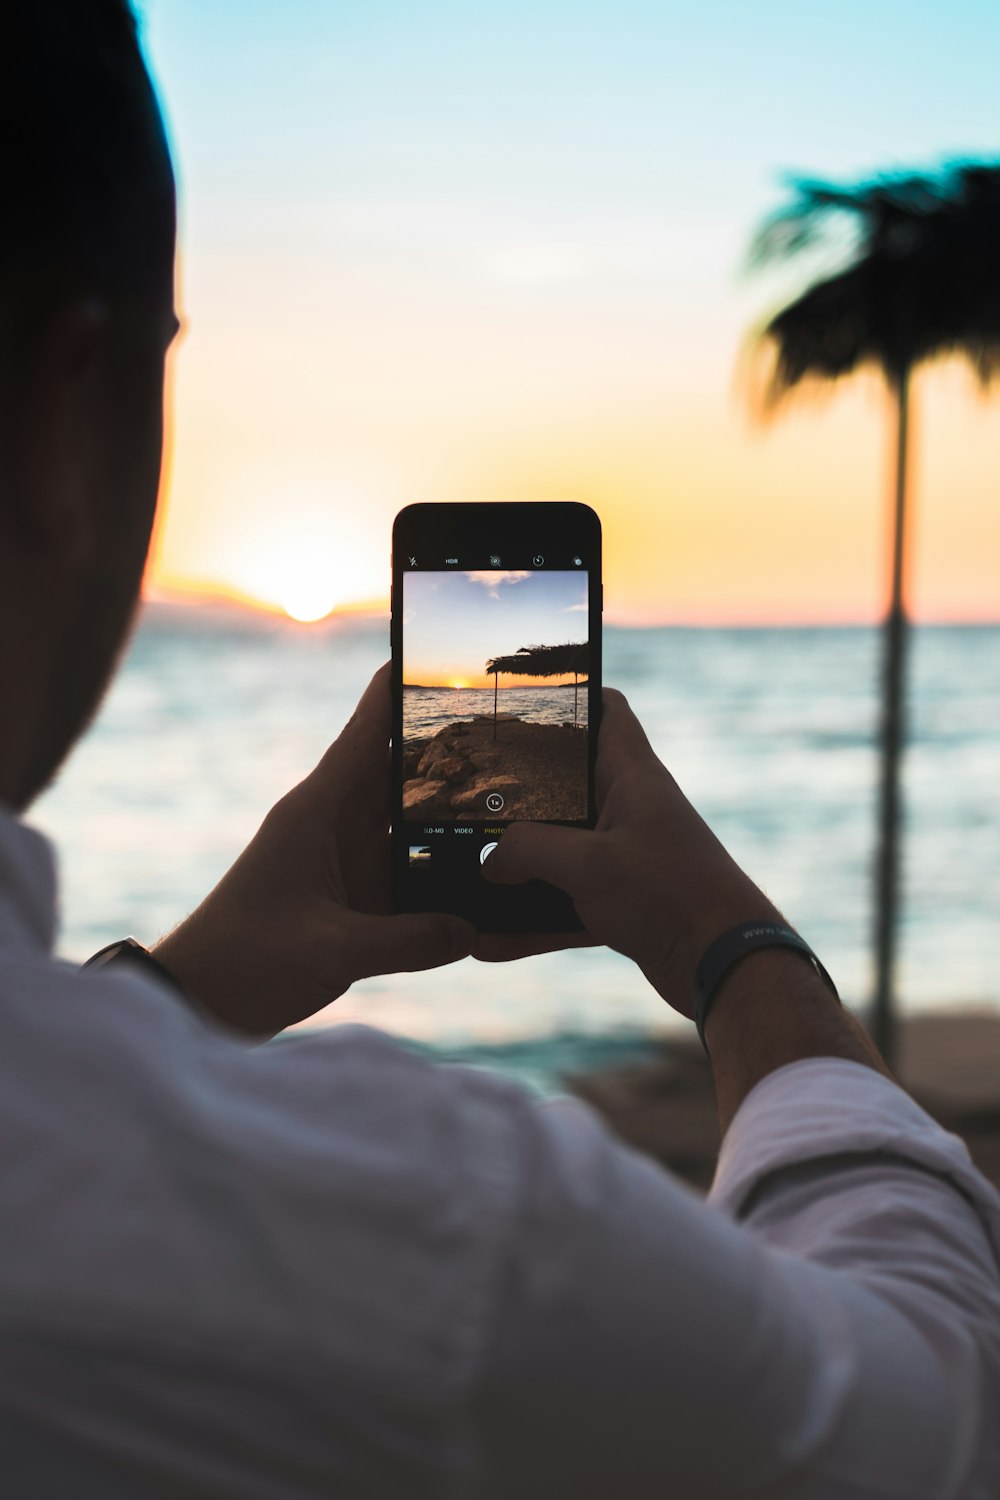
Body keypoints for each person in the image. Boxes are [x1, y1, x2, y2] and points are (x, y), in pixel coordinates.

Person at [1, 4, 998, 1496]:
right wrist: (740, 949)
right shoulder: (449, 1247)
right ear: (71, 410)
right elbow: (920, 1407)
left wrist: (180, 997)